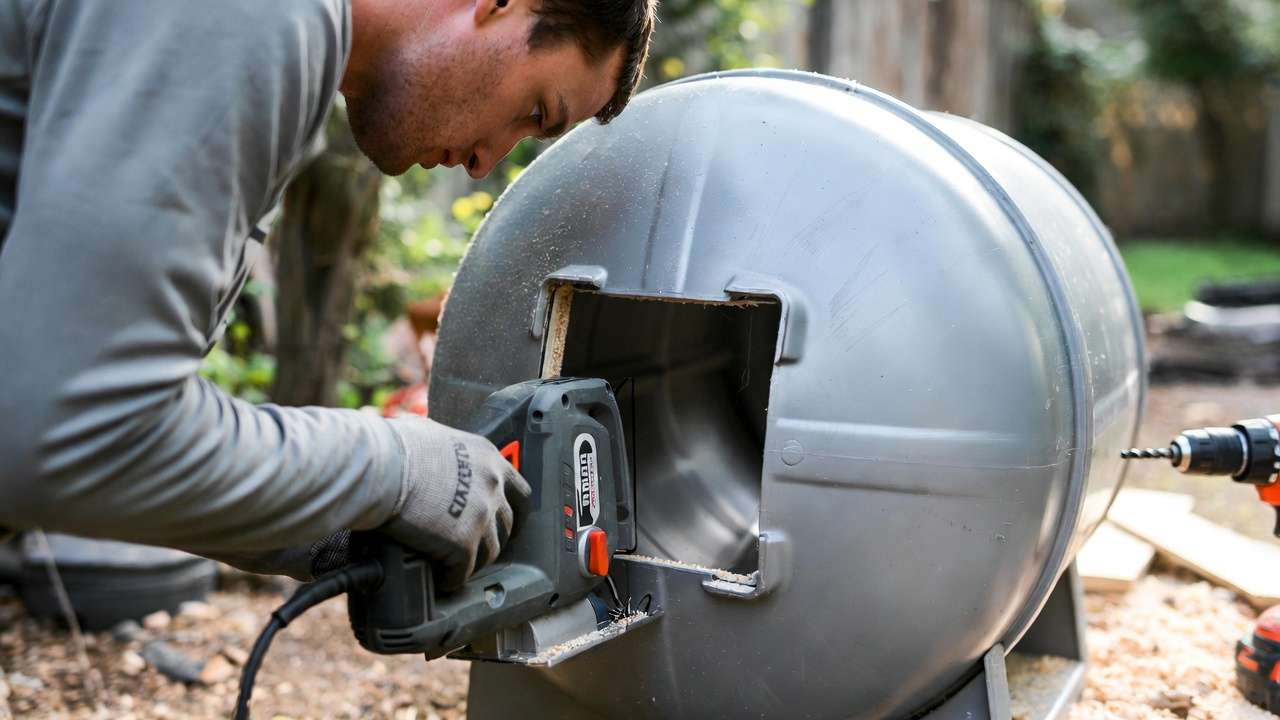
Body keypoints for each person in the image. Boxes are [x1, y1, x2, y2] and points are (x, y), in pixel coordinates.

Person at [0, 0, 657, 589]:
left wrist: (331, 513)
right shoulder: (256, 20)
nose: (489, 161)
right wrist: (397, 466)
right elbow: (68, 431)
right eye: (534, 111)